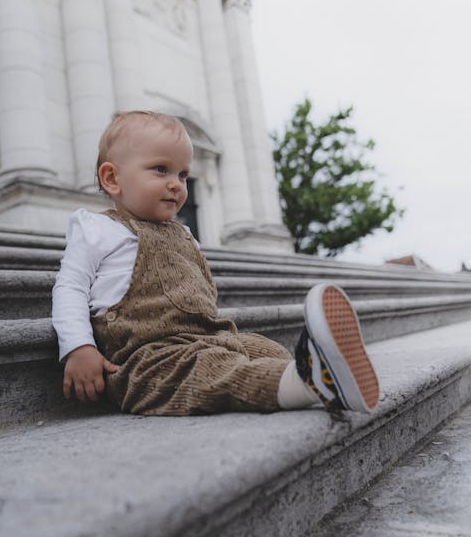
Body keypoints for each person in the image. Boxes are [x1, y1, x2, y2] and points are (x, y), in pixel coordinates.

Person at [52, 110, 379, 416]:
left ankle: (320, 369)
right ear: (112, 178)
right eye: (161, 169)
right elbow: (70, 288)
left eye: (183, 174)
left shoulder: (185, 236)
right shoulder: (97, 229)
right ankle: (308, 381)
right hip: (148, 359)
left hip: (208, 339)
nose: (177, 184)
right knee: (212, 371)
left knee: (261, 348)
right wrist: (78, 347)